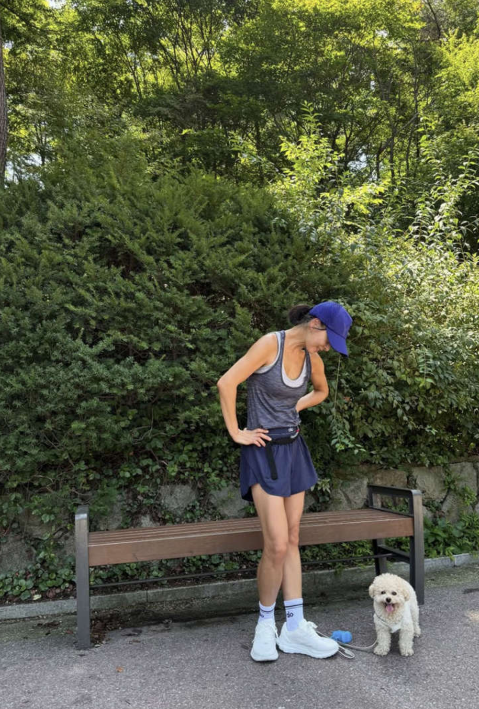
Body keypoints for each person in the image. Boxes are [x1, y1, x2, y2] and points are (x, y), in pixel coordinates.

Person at [216, 300, 353, 662]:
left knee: (292, 538)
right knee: (276, 544)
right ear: (316, 324)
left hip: (294, 450)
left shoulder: (312, 359)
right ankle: (265, 625)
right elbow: (226, 382)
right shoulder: (270, 345)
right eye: (329, 340)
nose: (328, 348)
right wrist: (237, 432)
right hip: (263, 452)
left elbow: (321, 391)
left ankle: (294, 627)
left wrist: (296, 407)